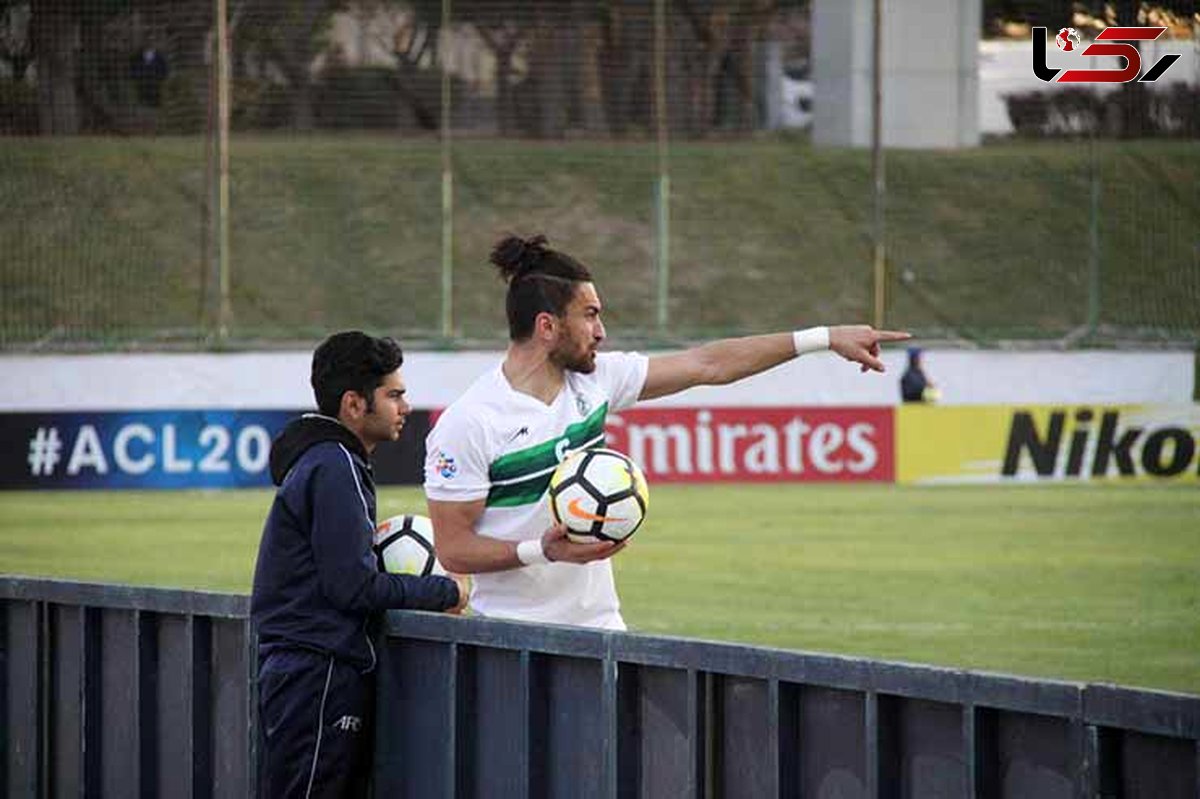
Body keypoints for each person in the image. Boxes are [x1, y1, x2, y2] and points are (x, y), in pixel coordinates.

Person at [423, 234, 910, 630]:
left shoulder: (598, 381)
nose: (602, 331)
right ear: (547, 326)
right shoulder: (472, 422)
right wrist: (542, 551)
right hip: (508, 635)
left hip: (601, 630)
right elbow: (454, 549)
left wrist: (822, 339)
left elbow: (709, 364)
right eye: (590, 315)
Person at [251, 331, 469, 798]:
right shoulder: (334, 465)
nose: (405, 407)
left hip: (302, 670)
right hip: (319, 672)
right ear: (354, 404)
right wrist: (446, 591)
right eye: (394, 395)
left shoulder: (322, 459)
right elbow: (352, 587)